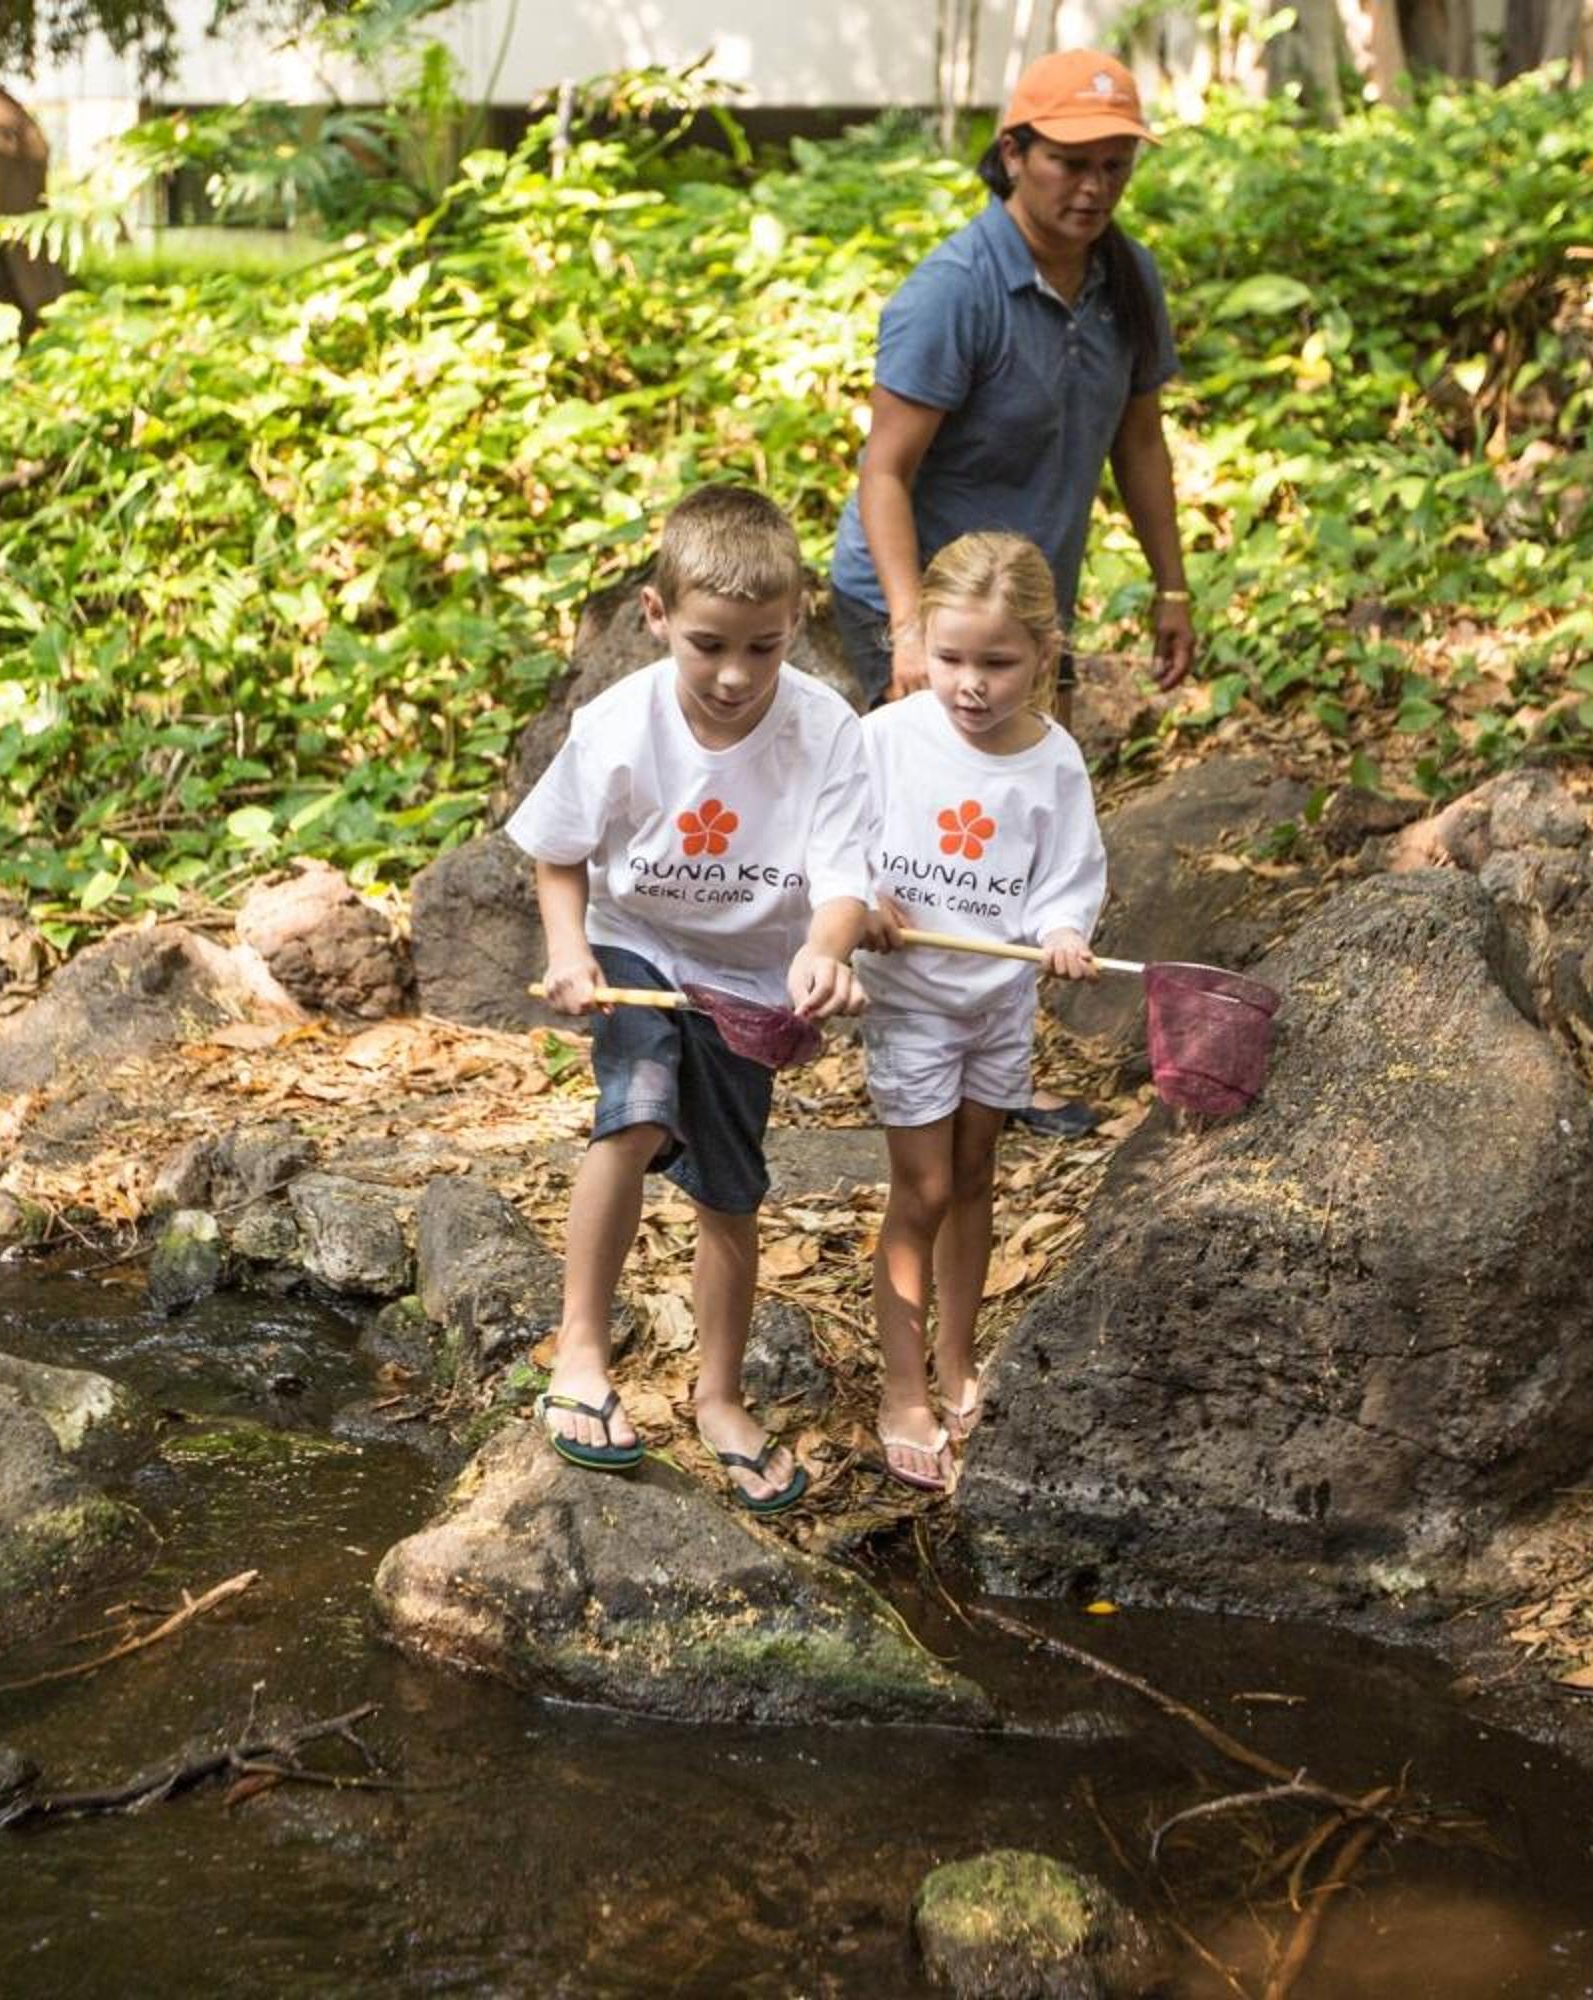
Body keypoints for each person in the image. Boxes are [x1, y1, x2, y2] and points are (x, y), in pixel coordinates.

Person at [830, 45, 1194, 1137]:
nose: (1090, 188)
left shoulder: (1123, 280)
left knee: (1033, 809)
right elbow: (883, 471)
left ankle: (996, 1059)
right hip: (926, 599)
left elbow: (1141, 439)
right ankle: (910, 1051)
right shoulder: (955, 291)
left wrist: (1172, 585)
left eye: (1114, 166)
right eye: (1068, 162)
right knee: (940, 828)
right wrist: (906, 632)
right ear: (1012, 154)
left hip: (1030, 599)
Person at [506, 484, 874, 1514]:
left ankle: (718, 1394)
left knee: (728, 1189)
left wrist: (828, 952)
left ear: (797, 620)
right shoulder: (618, 722)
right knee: (633, 1113)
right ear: (656, 615)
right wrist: (572, 951)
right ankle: (580, 1348)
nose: (733, 674)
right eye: (708, 642)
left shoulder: (827, 730)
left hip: (751, 980)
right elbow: (559, 854)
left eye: (763, 647)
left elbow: (844, 879)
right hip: (640, 946)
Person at [855, 534, 1106, 1492]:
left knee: (974, 1179)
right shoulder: (887, 739)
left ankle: (957, 1361)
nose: (970, 684)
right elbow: (840, 847)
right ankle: (903, 1387)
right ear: (920, 640)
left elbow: (1066, 878)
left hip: (998, 1000)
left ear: (1044, 653)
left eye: (998, 663)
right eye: (952, 658)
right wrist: (864, 908)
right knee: (919, 1192)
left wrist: (1061, 930)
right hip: (913, 1001)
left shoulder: (1053, 762)